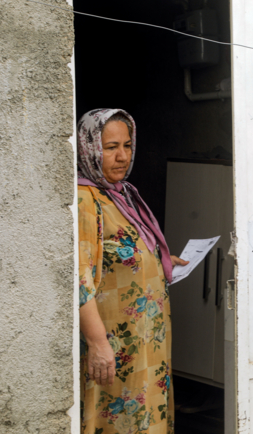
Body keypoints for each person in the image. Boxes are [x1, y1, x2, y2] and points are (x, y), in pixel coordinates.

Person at [77, 108, 188, 434]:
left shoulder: (122, 194)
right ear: (90, 147)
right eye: (111, 147)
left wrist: (160, 259)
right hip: (114, 347)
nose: (122, 156)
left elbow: (123, 252)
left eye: (127, 145)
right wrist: (97, 344)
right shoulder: (86, 200)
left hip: (145, 344)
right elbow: (79, 279)